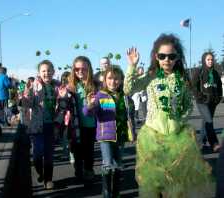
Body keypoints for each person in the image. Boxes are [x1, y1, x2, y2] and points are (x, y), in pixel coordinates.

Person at [124, 34, 213, 197]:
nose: (167, 60)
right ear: (156, 57)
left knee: (175, 182)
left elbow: (187, 105)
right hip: (152, 138)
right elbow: (128, 89)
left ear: (177, 58)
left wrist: (179, 119)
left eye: (171, 56)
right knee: (153, 183)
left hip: (177, 139)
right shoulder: (150, 76)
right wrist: (132, 66)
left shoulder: (181, 79)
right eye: (162, 56)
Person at [83, 65, 128, 197]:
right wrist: (90, 105)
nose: (113, 81)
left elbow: (129, 114)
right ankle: (106, 193)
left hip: (121, 135)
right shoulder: (100, 95)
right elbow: (88, 113)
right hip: (105, 136)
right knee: (108, 164)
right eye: (110, 78)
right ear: (105, 80)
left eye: (116, 79)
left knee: (119, 165)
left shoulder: (124, 96)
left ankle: (116, 192)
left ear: (121, 80)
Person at [23, 60, 60, 190]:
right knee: (38, 154)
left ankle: (48, 179)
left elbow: (62, 105)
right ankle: (40, 173)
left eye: (49, 70)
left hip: (52, 125)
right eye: (43, 71)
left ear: (53, 72)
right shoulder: (34, 87)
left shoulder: (58, 87)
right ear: (39, 73)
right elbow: (27, 105)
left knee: (49, 154)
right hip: (37, 126)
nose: (46, 73)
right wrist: (25, 96)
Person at [68, 56, 97, 183]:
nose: (80, 71)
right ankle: (79, 170)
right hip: (75, 126)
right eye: (77, 69)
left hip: (91, 124)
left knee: (89, 150)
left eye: (84, 69)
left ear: (89, 69)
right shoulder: (71, 87)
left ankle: (89, 170)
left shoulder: (96, 86)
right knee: (77, 150)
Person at [192, 52, 222, 152]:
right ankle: (214, 143)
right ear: (204, 60)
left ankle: (200, 143)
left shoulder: (215, 73)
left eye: (211, 60)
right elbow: (194, 86)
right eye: (208, 59)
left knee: (205, 122)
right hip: (202, 102)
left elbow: (219, 86)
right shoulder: (199, 71)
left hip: (212, 102)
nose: (210, 61)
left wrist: (219, 97)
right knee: (209, 121)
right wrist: (200, 97)